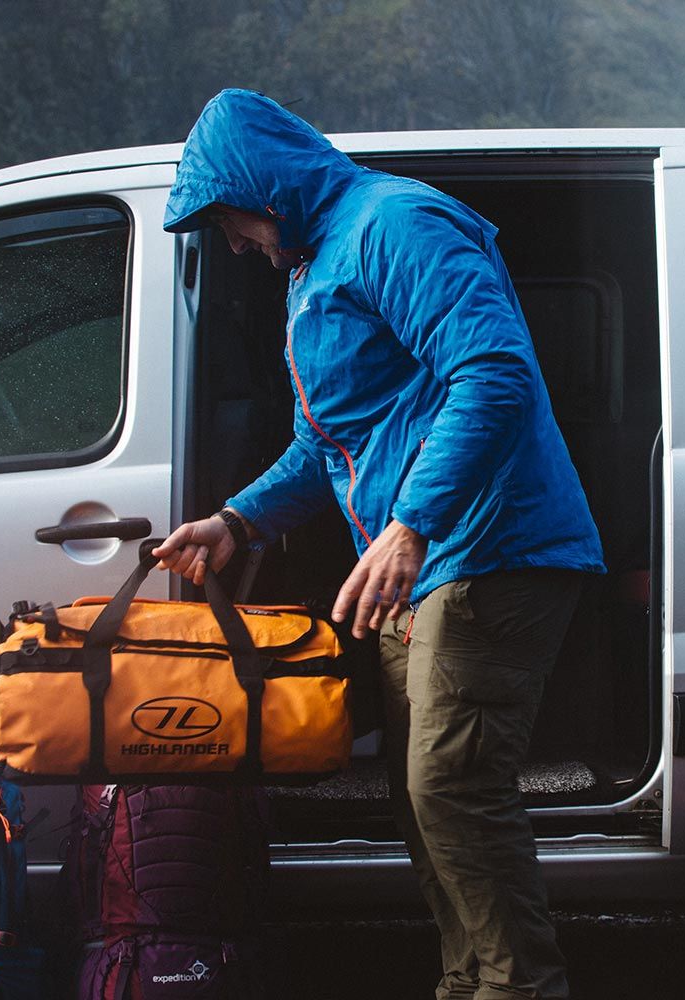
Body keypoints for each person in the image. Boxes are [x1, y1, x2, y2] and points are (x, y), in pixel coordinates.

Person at [155, 88, 604, 1000]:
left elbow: (495, 372)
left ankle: (519, 989)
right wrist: (236, 521)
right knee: (420, 795)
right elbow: (329, 444)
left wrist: (411, 523)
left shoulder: (394, 223)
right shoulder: (315, 266)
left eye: (230, 220)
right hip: (418, 565)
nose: (233, 243)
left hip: (489, 547)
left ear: (266, 187)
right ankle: (467, 983)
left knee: (453, 788)